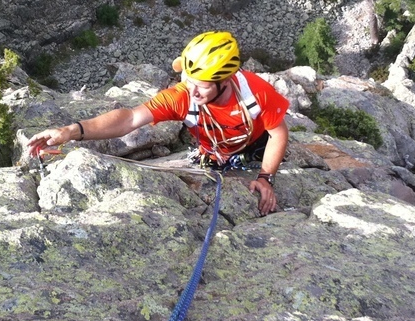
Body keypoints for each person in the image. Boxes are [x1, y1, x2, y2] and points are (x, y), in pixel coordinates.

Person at [26, 31, 290, 215]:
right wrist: (72, 130)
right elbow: (129, 118)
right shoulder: (182, 96)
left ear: (225, 81)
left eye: (203, 86)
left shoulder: (255, 93)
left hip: (255, 145)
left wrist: (266, 178)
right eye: (188, 81)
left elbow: (277, 133)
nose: (192, 91)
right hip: (214, 151)